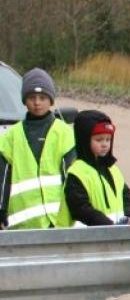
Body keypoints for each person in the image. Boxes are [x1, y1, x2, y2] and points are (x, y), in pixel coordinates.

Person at [0, 68, 75, 230]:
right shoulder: (10, 136)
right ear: (24, 100)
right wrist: (1, 210)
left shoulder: (64, 133)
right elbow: (3, 178)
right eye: (32, 97)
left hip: (59, 221)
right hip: (22, 224)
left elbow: (72, 178)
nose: (37, 102)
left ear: (51, 100)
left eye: (42, 97)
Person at [57, 110, 130, 226]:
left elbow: (127, 197)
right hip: (82, 240)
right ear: (85, 140)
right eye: (99, 140)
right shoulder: (77, 173)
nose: (105, 144)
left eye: (108, 139)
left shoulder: (113, 170)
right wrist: (108, 225)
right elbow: (80, 208)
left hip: (113, 236)